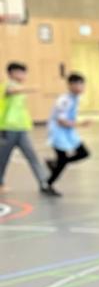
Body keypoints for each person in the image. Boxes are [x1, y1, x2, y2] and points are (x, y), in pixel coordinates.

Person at [0, 61, 57, 198]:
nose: (23, 75)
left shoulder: (20, 89)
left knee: (32, 156)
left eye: (24, 72)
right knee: (2, 158)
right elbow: (10, 91)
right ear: (11, 73)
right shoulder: (6, 86)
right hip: (7, 128)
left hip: (22, 129)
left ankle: (44, 183)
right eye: (20, 72)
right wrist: (30, 88)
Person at [45, 72, 91, 190]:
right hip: (58, 132)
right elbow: (61, 121)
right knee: (62, 159)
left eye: (82, 84)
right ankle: (48, 184)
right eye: (77, 84)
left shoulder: (76, 98)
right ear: (70, 85)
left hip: (68, 132)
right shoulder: (64, 100)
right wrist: (81, 124)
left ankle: (54, 164)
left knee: (83, 153)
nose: (80, 87)